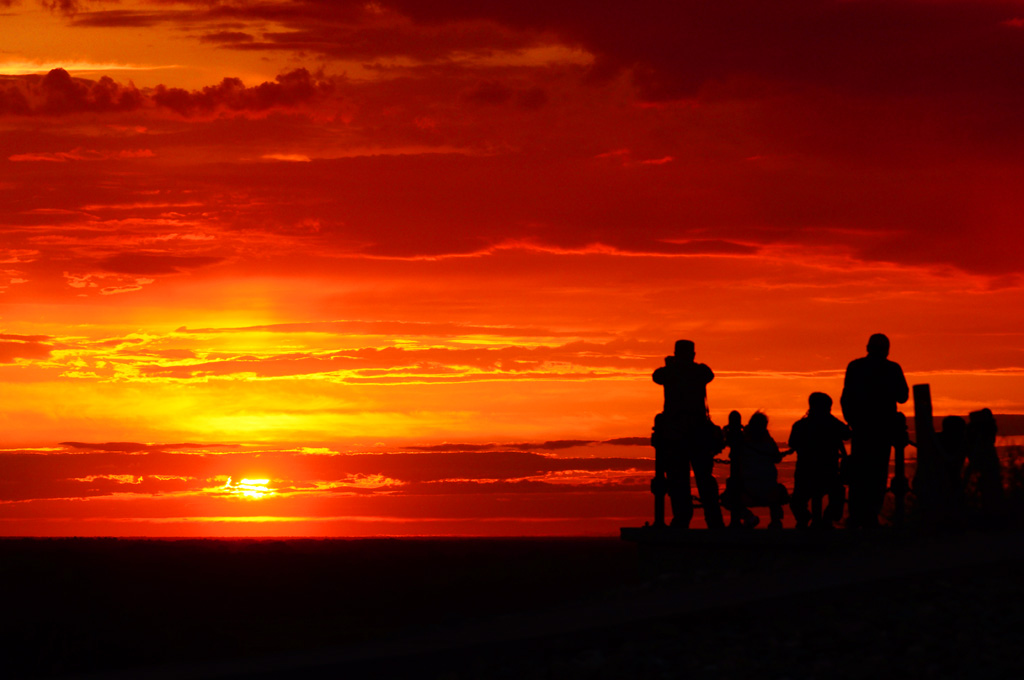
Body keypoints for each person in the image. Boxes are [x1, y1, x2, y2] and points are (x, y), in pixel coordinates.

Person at [651, 339, 724, 529]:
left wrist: (673, 365)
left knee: (679, 480)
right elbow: (708, 374)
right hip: (698, 433)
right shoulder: (699, 371)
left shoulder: (672, 372)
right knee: (704, 479)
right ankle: (713, 520)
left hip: (677, 435)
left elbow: (657, 376)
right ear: (692, 354)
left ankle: (682, 519)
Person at [840, 333, 909, 528]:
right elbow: (903, 396)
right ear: (887, 349)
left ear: (867, 347)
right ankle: (870, 515)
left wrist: (853, 421)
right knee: (877, 473)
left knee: (859, 474)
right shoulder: (892, 369)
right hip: (882, 429)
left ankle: (857, 516)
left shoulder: (855, 367)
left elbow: (846, 398)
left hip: (862, 429)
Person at [787, 393, 851, 529]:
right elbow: (846, 433)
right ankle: (826, 519)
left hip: (806, 472)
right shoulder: (832, 423)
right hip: (828, 471)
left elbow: (792, 443)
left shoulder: (801, 425)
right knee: (837, 494)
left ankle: (806, 519)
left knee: (797, 501)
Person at [722, 411, 787, 529]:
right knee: (779, 490)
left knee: (727, 497)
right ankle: (776, 521)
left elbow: (733, 455)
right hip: (769, 490)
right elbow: (777, 458)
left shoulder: (742, 441)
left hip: (747, 490)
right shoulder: (769, 442)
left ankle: (748, 517)